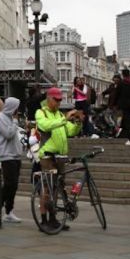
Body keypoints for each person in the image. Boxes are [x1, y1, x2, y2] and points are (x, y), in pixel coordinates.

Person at [34, 87, 82, 230]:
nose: (59, 102)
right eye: (57, 99)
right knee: (47, 189)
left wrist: (78, 123)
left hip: (60, 156)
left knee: (57, 188)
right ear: (49, 99)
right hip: (47, 155)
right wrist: (64, 119)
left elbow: (70, 131)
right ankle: (43, 220)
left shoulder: (59, 114)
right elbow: (45, 126)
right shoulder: (41, 112)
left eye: (61, 100)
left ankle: (53, 218)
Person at [0, 96, 24, 223]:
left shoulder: (10, 118)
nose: (18, 110)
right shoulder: (0, 117)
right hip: (7, 156)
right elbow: (8, 134)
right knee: (8, 184)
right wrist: (15, 122)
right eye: (16, 107)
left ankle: (9, 211)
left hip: (15, 155)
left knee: (13, 185)